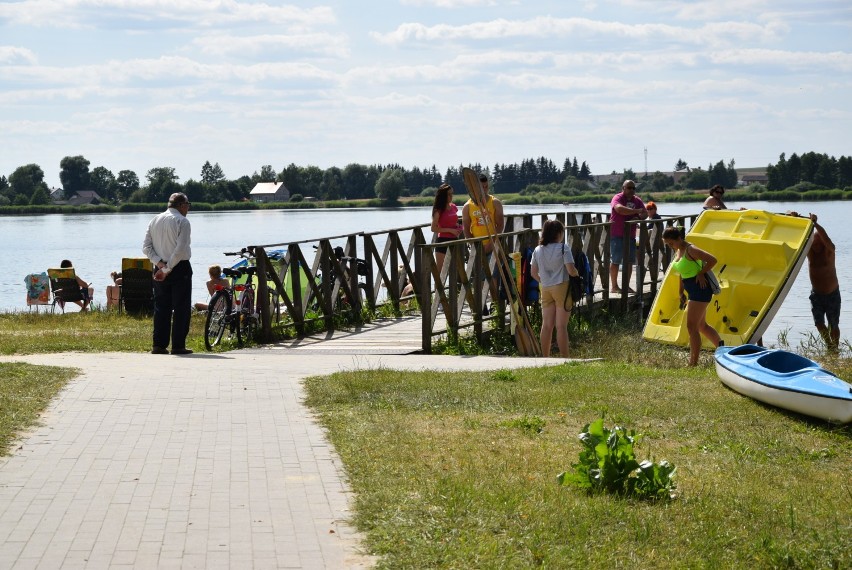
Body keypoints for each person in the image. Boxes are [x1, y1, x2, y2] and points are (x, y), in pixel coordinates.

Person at [662, 226, 722, 366]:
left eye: (671, 243)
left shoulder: (691, 249)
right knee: (702, 326)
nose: (670, 246)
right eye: (667, 244)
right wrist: (680, 291)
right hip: (691, 290)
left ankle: (693, 363)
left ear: (679, 238)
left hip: (700, 289)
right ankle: (723, 350)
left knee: (691, 326)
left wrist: (701, 273)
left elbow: (713, 260)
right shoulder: (679, 250)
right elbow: (683, 272)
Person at [143, 192, 193, 355]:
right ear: (182, 205)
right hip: (178, 267)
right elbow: (180, 250)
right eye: (188, 205)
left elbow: (146, 247)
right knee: (181, 307)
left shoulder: (154, 220)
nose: (188, 209)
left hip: (159, 267)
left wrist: (159, 264)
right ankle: (178, 345)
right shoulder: (182, 221)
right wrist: (167, 268)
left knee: (161, 307)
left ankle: (159, 344)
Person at [789, 212, 840, 350]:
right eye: (813, 243)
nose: (815, 245)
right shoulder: (810, 252)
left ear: (823, 243)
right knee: (818, 323)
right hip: (816, 294)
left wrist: (815, 224)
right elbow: (799, 237)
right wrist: (796, 218)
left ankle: (835, 349)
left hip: (832, 294)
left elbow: (826, 238)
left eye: (818, 242)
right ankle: (830, 346)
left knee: (833, 324)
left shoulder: (829, 251)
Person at [531, 219, 580, 358]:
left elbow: (533, 273)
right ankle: (565, 357)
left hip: (545, 288)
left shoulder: (537, 250)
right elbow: (571, 270)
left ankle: (545, 357)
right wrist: (578, 275)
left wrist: (545, 280)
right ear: (559, 233)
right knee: (561, 327)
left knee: (546, 326)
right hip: (562, 287)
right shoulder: (563, 248)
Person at [609, 180, 648, 294]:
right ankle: (614, 286)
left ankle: (626, 286)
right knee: (615, 261)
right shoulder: (617, 197)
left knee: (630, 261)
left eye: (633, 188)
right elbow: (619, 209)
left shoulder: (637, 200)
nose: (631, 190)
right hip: (617, 233)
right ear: (623, 188)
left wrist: (639, 218)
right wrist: (636, 211)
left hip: (630, 235)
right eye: (629, 188)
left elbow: (645, 213)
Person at [462, 173, 504, 255]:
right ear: (476, 188)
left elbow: (500, 225)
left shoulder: (495, 203)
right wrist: (474, 245)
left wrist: (491, 245)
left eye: (486, 187)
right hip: (476, 247)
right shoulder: (467, 206)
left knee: (493, 267)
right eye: (482, 187)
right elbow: (466, 229)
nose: (484, 190)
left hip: (493, 246)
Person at [431, 183, 462, 272]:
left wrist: (457, 226)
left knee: (455, 270)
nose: (451, 196)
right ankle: (438, 286)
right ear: (443, 196)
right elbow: (433, 228)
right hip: (443, 241)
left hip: (454, 240)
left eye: (452, 194)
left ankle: (454, 286)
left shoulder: (453, 207)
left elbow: (453, 220)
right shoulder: (439, 209)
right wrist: (450, 230)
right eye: (448, 194)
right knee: (441, 271)